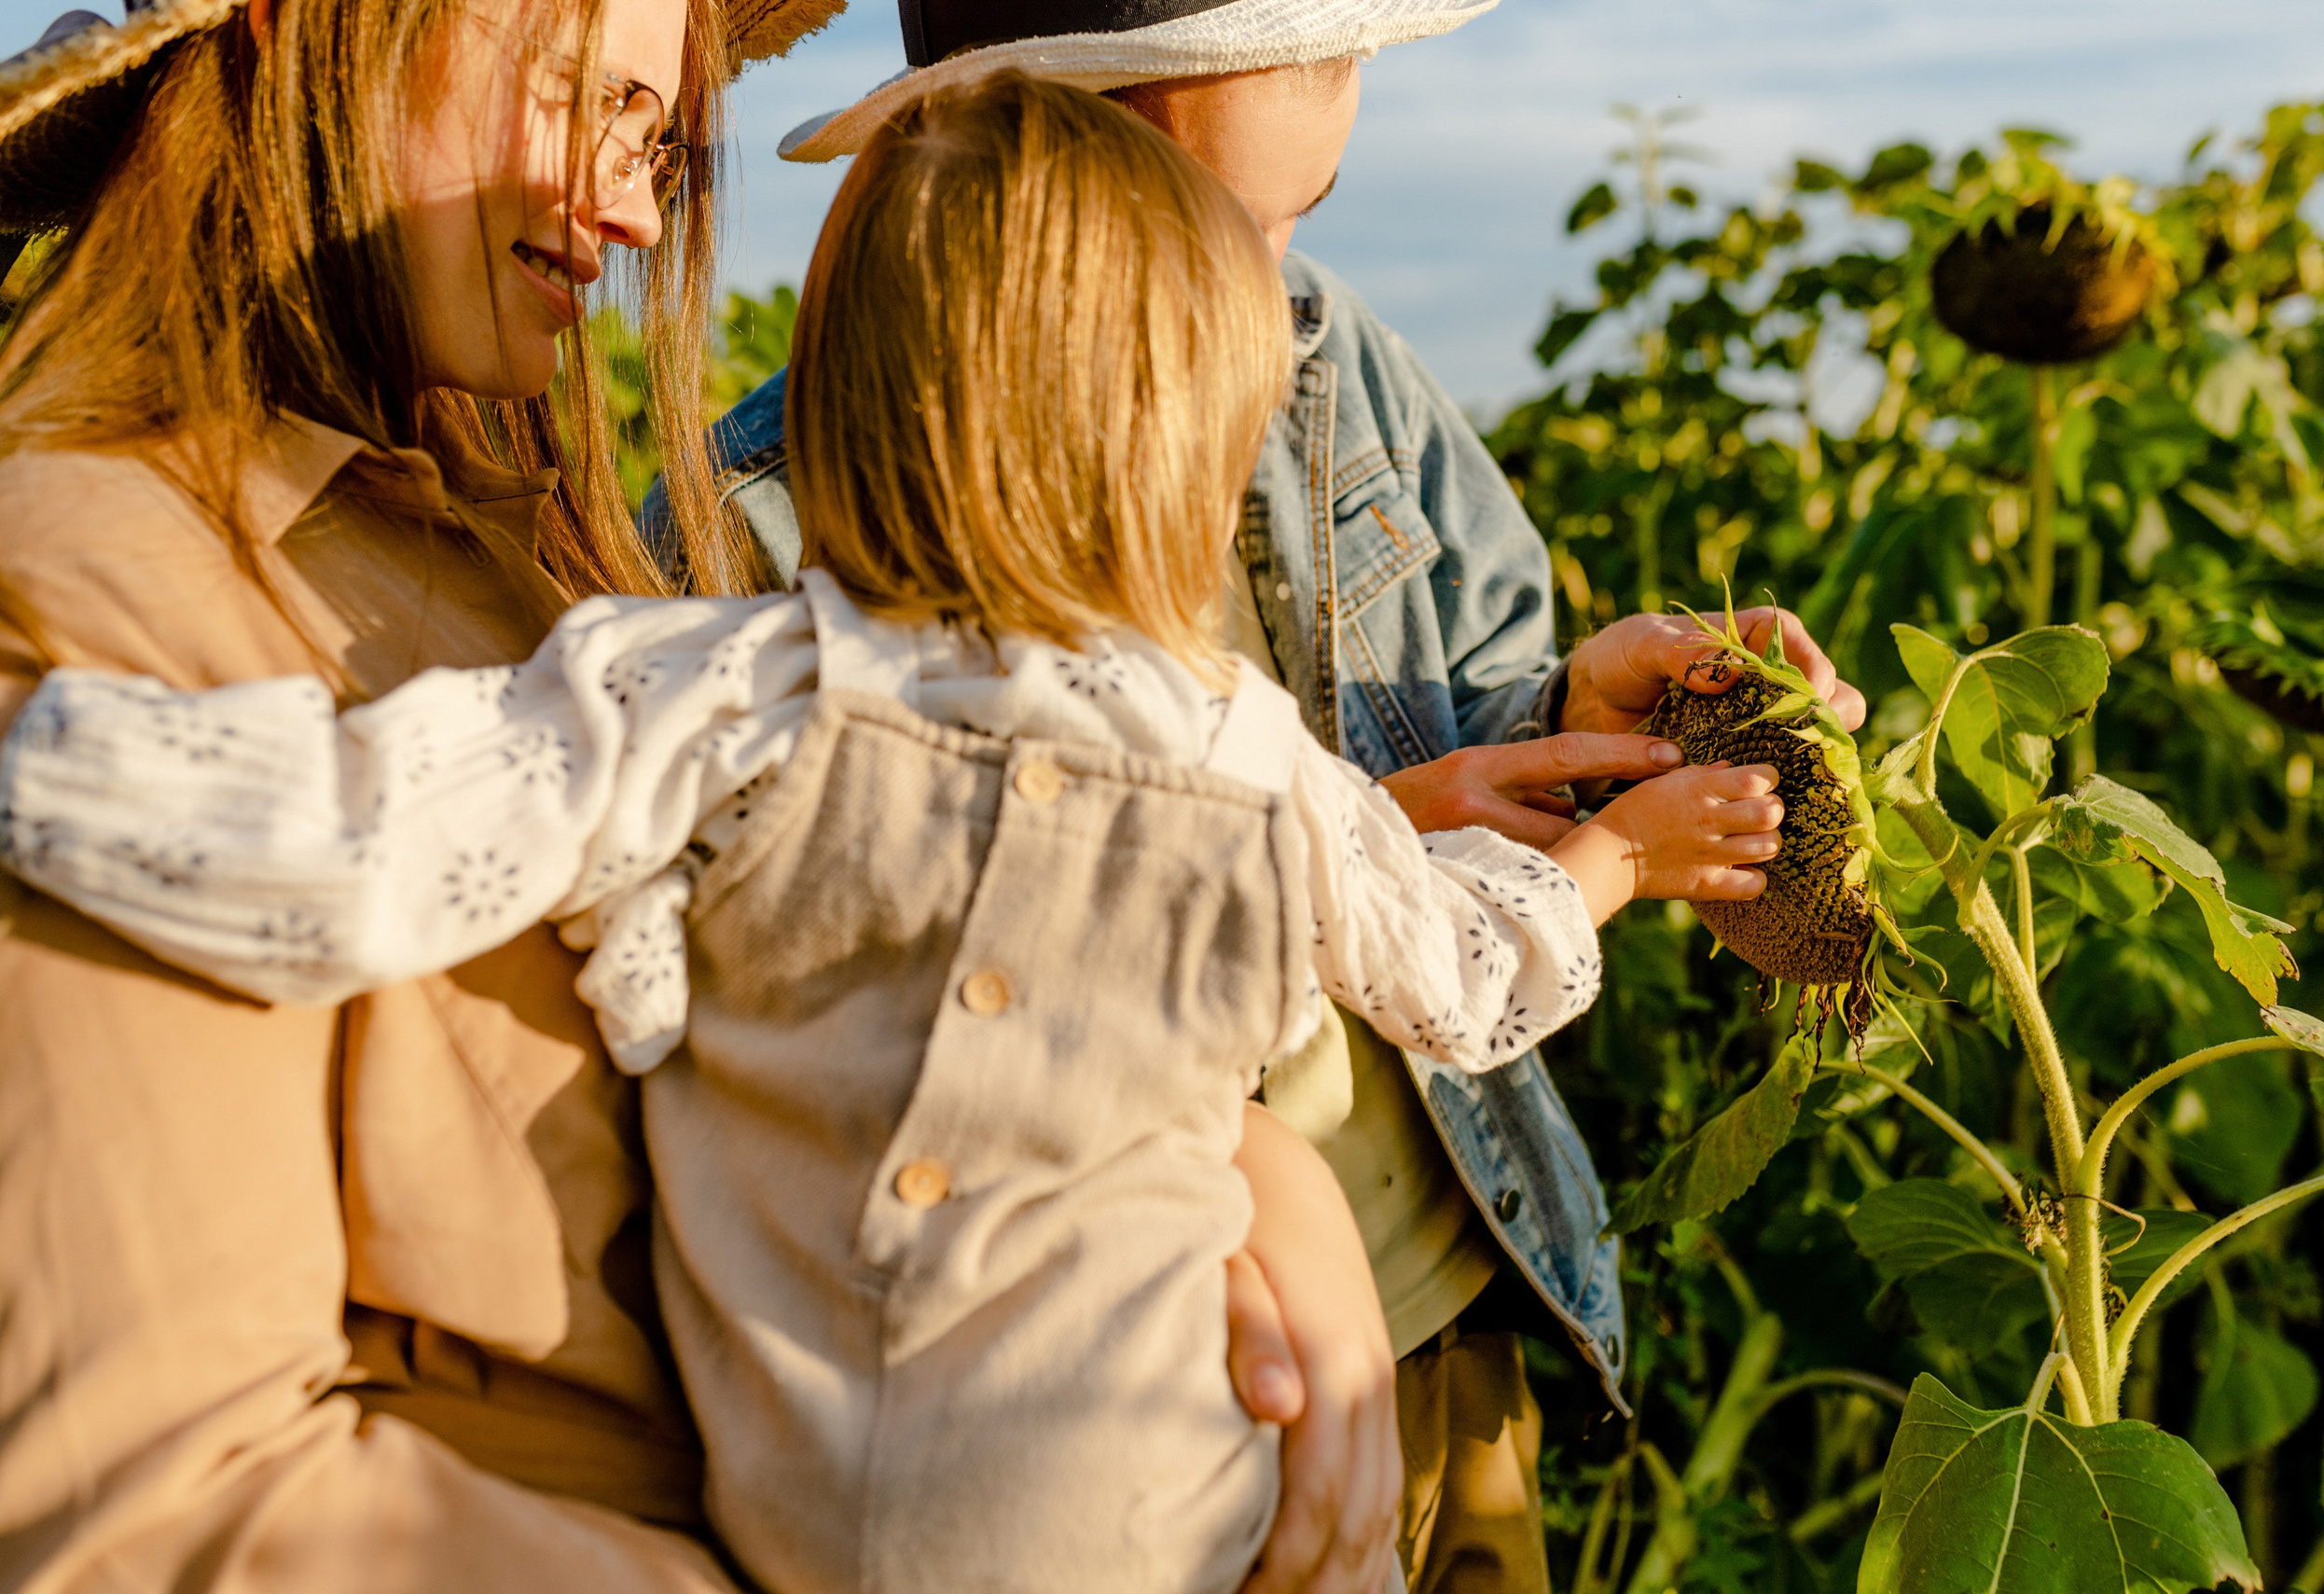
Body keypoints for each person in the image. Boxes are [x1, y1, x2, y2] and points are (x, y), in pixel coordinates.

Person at [0, 72, 1791, 1594]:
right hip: (1172, 1512)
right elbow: (1468, 963)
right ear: (1183, 453)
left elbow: (348, 828)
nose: (628, 193)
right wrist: (1613, 861)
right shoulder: (1238, 759)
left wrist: (73, 768)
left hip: (811, 1501)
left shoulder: (707, 679)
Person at [643, 2, 1871, 1586]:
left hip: (1429, 1286)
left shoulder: (1317, 351)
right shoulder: (758, 531)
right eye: (1228, 224)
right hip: (1070, 1413)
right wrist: (1567, 863)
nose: (1266, 293)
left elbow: (1439, 712)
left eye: (1300, 224)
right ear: (1036, 169)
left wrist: (1570, 720)